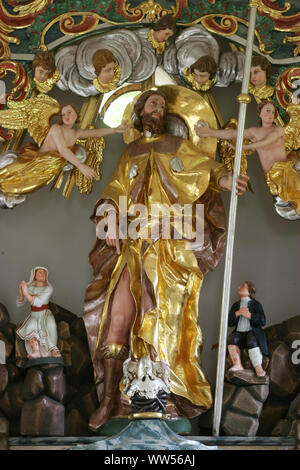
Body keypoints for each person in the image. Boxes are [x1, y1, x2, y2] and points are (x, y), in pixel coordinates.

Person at [83, 89, 249, 431]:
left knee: (163, 322)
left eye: (162, 104)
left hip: (168, 248)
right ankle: (112, 399)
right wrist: (111, 217)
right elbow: (113, 192)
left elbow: (206, 169)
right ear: (141, 110)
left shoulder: (177, 146)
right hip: (131, 246)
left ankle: (164, 398)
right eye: (152, 103)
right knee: (117, 318)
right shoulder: (130, 152)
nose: (158, 108)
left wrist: (226, 178)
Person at [0, 103, 131, 195]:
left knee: (21, 187)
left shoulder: (76, 134)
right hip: (35, 161)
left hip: (46, 169)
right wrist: (81, 166)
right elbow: (62, 150)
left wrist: (114, 130)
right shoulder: (56, 128)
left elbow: (95, 133)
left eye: (69, 112)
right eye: (63, 114)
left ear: (76, 115)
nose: (66, 116)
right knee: (8, 174)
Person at [195, 100, 300, 215]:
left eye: (273, 112)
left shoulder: (278, 130)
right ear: (260, 114)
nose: (270, 114)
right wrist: (211, 132)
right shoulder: (254, 132)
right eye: (267, 111)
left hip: (285, 170)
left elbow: (266, 141)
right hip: (272, 175)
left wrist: (243, 146)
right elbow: (232, 134)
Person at [16, 267, 61, 359]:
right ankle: (36, 352)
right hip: (34, 315)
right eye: (40, 272)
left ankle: (53, 350)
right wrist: (21, 293)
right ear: (34, 275)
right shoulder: (30, 288)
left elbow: (39, 302)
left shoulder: (49, 288)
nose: (43, 274)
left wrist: (26, 293)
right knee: (31, 326)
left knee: (50, 325)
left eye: (44, 273)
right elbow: (19, 303)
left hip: (45, 314)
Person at [228, 281, 268, 377]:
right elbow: (229, 322)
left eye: (242, 286)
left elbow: (263, 321)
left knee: (252, 340)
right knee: (232, 339)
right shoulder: (236, 305)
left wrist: (250, 315)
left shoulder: (256, 305)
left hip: (252, 332)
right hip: (239, 333)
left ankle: (259, 369)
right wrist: (237, 313)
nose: (239, 287)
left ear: (250, 291)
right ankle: (237, 364)